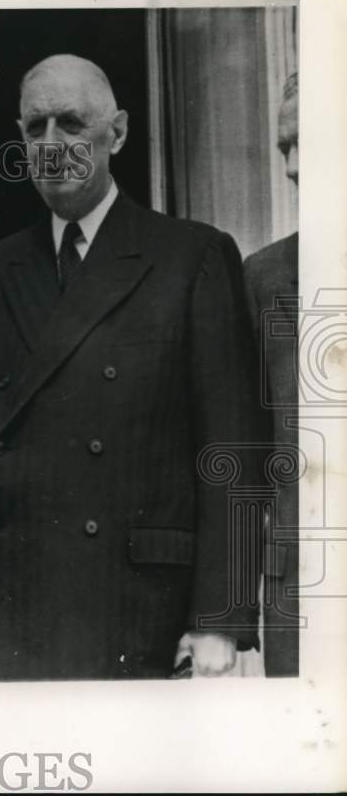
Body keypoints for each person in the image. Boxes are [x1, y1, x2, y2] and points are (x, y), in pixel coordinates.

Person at [0, 54, 260, 681]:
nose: (51, 144)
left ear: (116, 133)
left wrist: (218, 619)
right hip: (7, 607)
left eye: (71, 123)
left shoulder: (191, 257)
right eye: (34, 127)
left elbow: (228, 446)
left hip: (137, 608)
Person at [243, 72, 299, 677]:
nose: (292, 166)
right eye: (284, 146)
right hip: (298, 598)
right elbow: (241, 456)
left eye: (309, 141)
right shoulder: (261, 278)